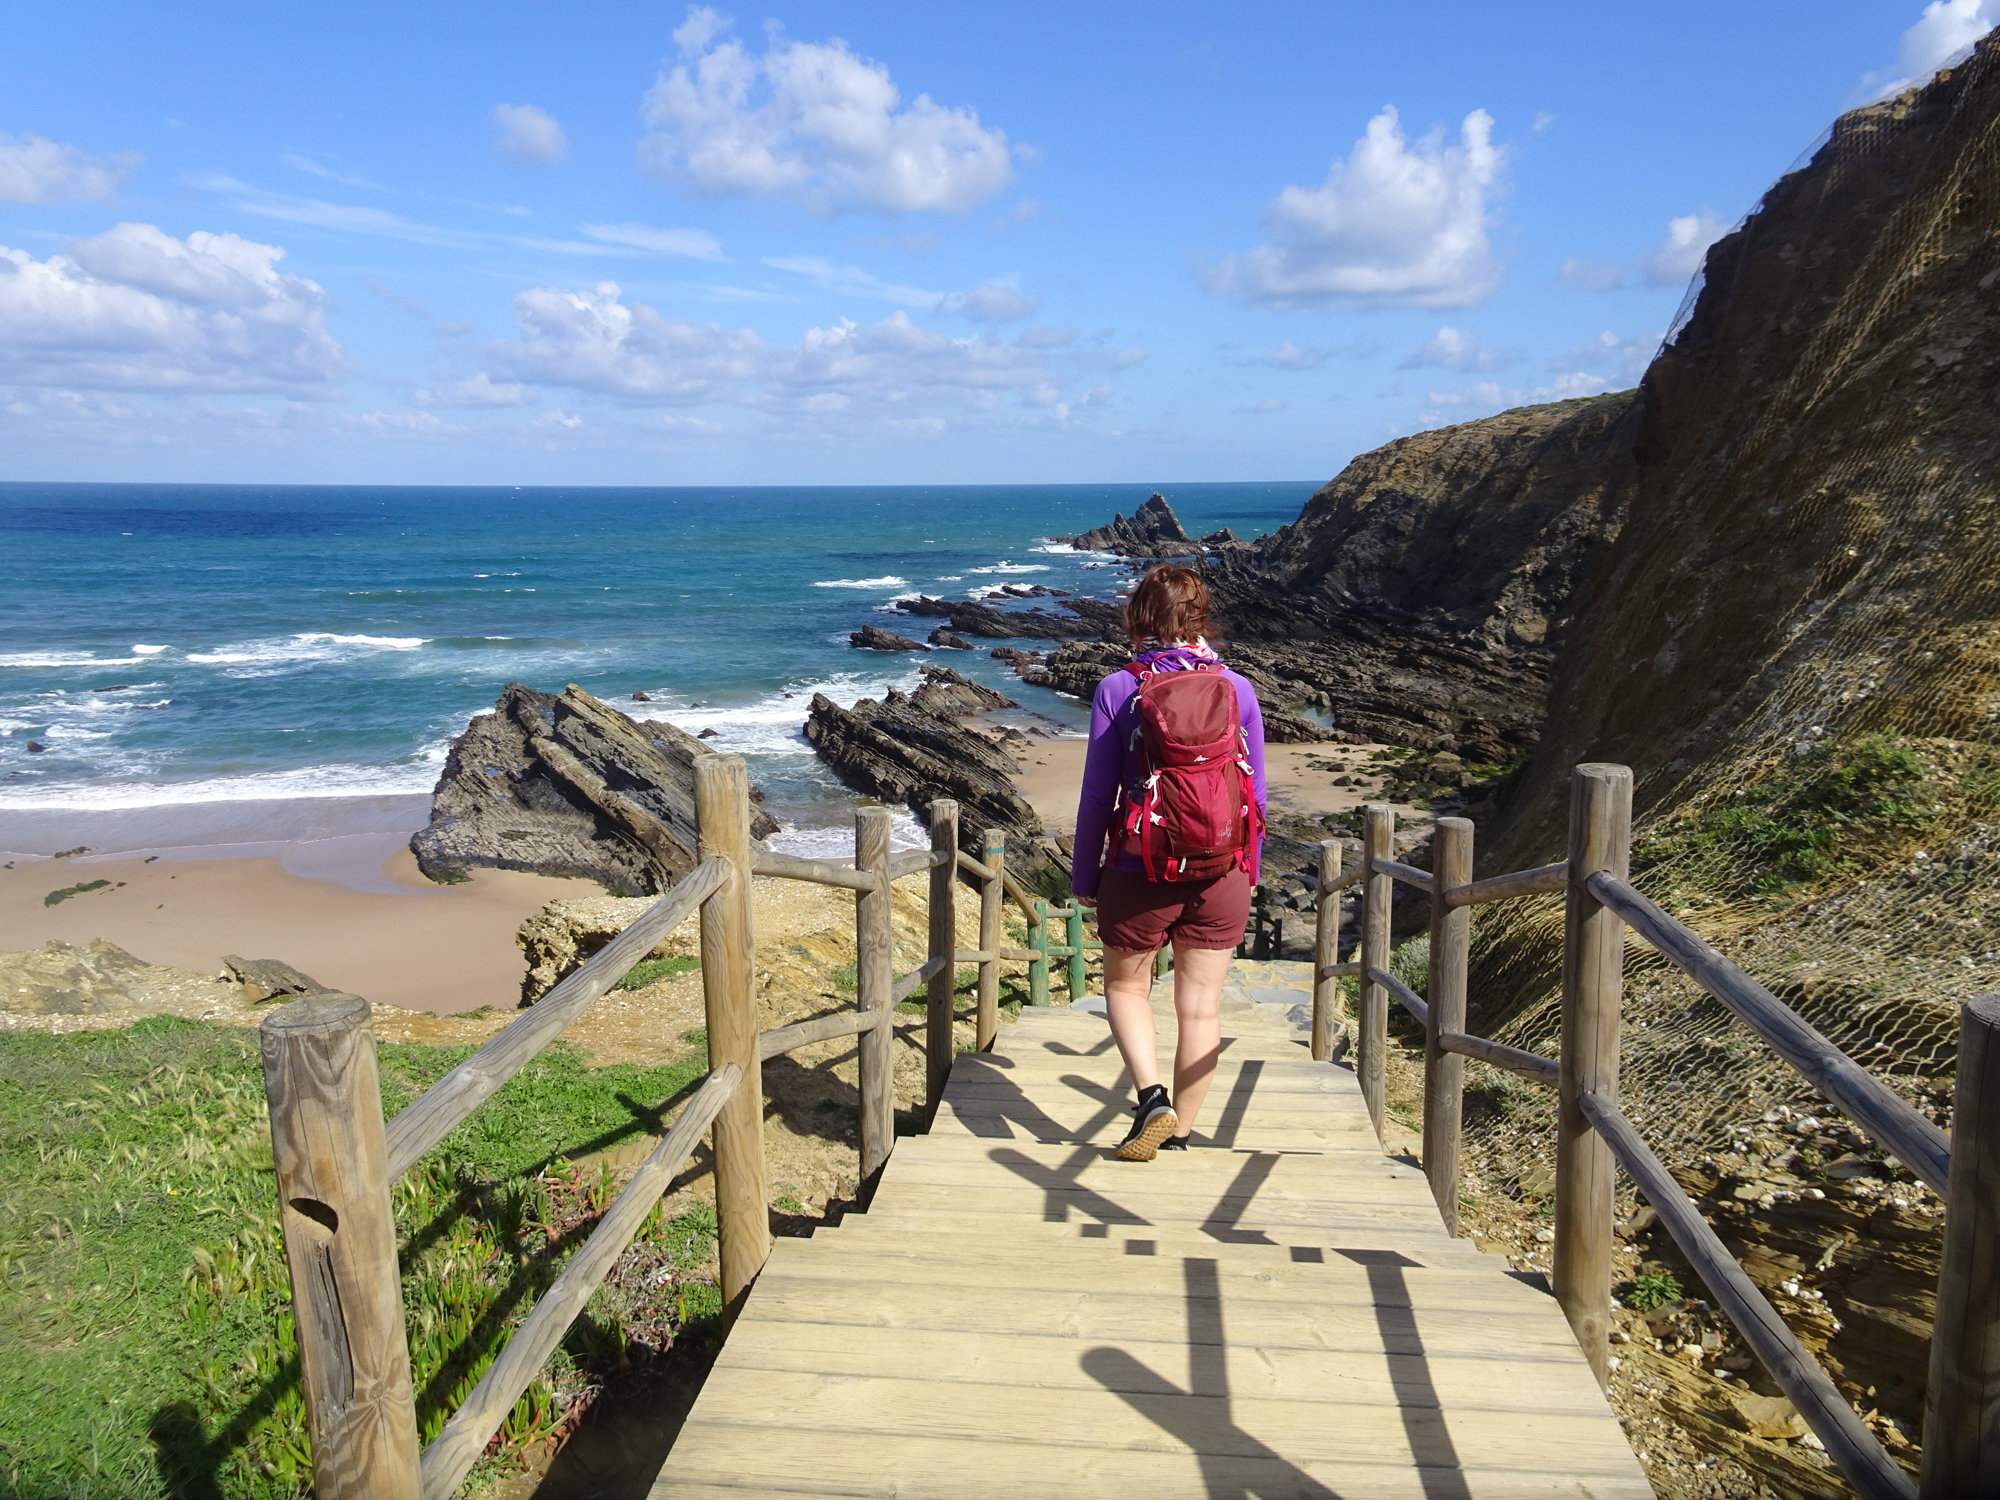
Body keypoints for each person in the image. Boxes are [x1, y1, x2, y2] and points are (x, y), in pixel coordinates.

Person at [1072, 563, 1266, 1161]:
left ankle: (1151, 1098)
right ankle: (1182, 1135)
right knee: (1201, 1005)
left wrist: (1085, 876)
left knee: (1126, 987)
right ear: (1200, 616)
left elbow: (1097, 796)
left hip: (1139, 868)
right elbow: (1254, 795)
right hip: (1222, 869)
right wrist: (1248, 870)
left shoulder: (1117, 689)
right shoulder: (1237, 688)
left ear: (1140, 620)